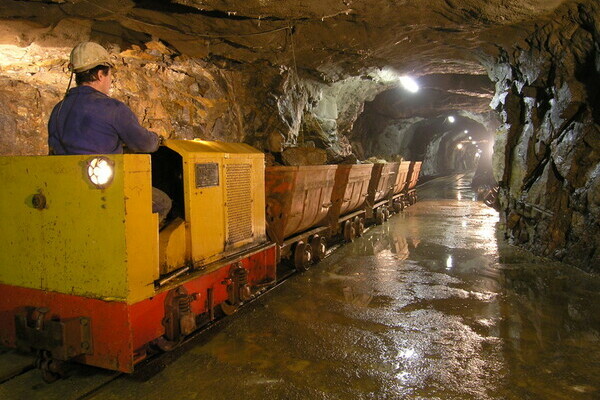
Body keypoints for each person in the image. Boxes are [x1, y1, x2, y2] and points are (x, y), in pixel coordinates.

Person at [48, 41, 171, 225]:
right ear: (100, 74)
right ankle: (136, 249)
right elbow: (144, 144)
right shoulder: (112, 108)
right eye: (109, 75)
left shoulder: (58, 110)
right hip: (106, 191)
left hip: (66, 188)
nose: (110, 80)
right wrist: (157, 137)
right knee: (162, 203)